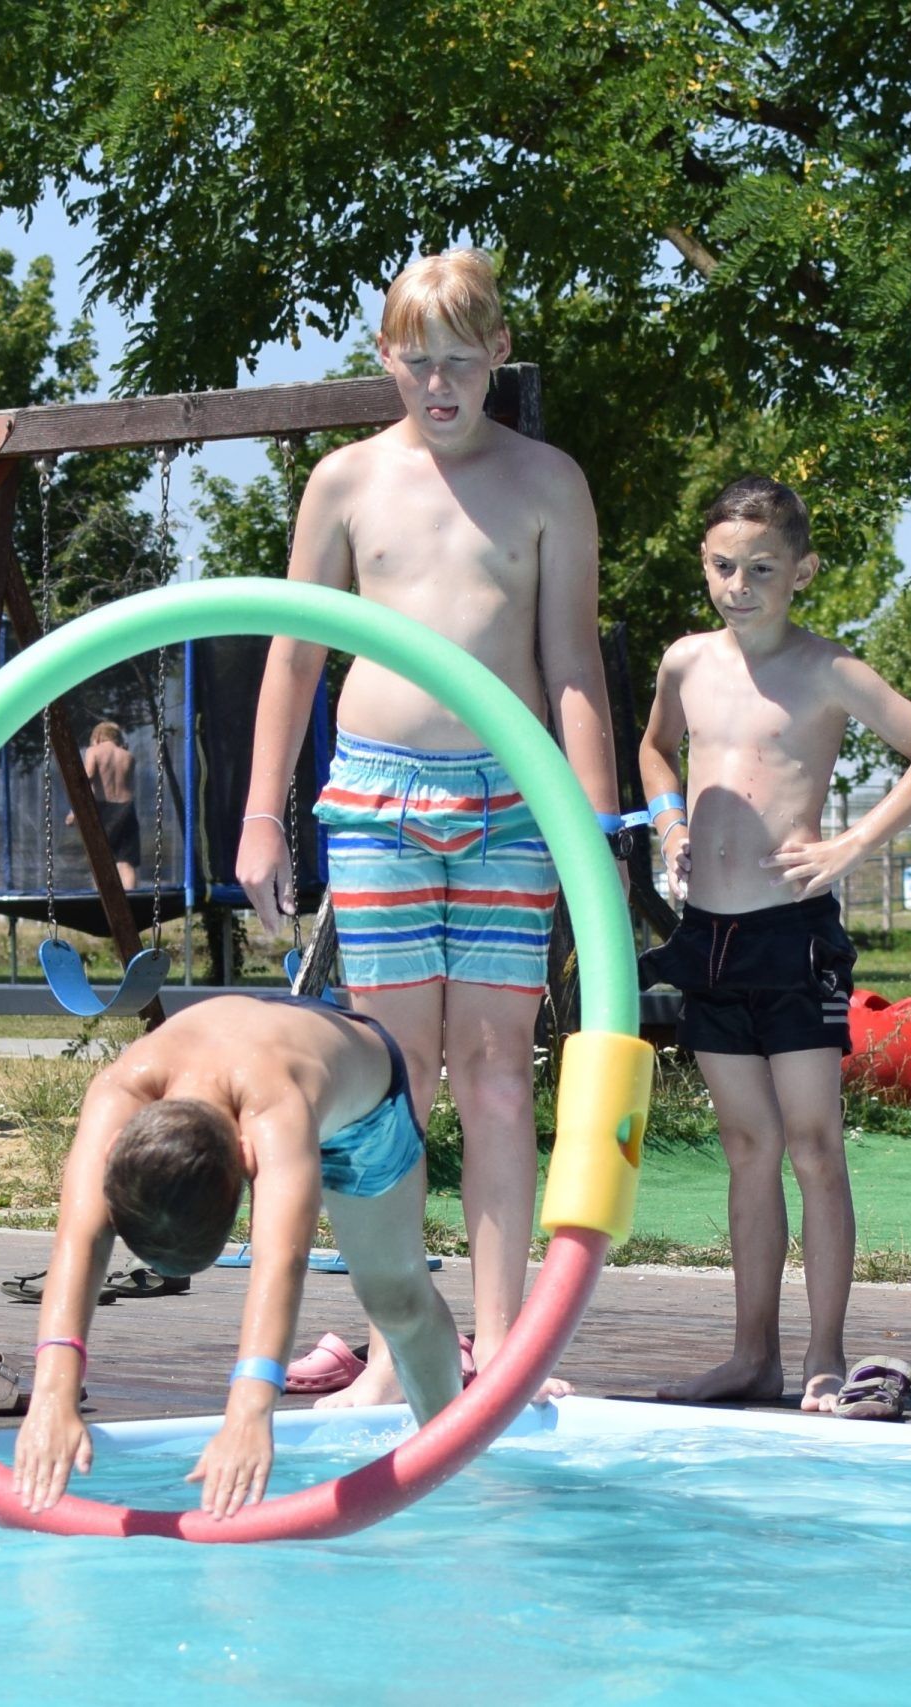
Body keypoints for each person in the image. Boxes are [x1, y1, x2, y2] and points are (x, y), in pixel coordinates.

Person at [236, 249, 623, 1406]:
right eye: (420, 365)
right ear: (385, 360)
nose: (442, 386)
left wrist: (590, 820)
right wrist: (262, 817)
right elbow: (293, 653)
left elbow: (571, 660)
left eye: (463, 362)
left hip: (513, 799)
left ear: (501, 353)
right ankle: (400, 1343)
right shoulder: (345, 483)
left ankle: (501, 1349)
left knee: (501, 1071)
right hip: (375, 797)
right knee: (393, 1079)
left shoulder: (548, 481)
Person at [639, 476, 911, 1412]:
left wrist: (854, 843)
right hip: (708, 937)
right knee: (747, 1143)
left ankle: (822, 1352)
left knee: (815, 1145)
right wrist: (667, 823)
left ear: (803, 571)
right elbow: (656, 749)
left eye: (762, 568)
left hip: (792, 938)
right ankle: (753, 1355)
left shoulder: (829, 671)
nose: (739, 584)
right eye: (723, 565)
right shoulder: (687, 663)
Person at [13, 994, 462, 1518]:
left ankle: (456, 1460)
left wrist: (250, 1413)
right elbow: (78, 1237)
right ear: (114, 1147)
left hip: (364, 1106)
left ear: (249, 1161)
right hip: (251, 1052)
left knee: (396, 1302)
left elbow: (280, 1261)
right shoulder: (121, 1088)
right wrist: (52, 1393)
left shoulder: (276, 1109)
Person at [67, 720, 141, 889]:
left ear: (98, 737)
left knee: (100, 861)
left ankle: (102, 901)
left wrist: (75, 811)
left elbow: (87, 778)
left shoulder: (94, 751)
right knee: (126, 862)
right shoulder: (128, 756)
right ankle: (130, 900)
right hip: (126, 807)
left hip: (103, 809)